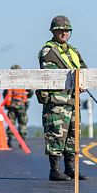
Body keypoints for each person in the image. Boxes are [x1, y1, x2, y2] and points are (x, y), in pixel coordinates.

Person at [37, 15, 88, 181]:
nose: (64, 33)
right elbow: (50, 74)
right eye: (61, 30)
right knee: (56, 135)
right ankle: (54, 169)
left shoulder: (73, 51)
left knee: (73, 136)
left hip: (72, 101)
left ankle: (70, 168)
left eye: (67, 30)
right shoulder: (48, 51)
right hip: (56, 102)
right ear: (54, 31)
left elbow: (85, 70)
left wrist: (83, 83)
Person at [2, 65, 33, 147]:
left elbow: (5, 93)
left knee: (11, 123)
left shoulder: (9, 81)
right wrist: (26, 98)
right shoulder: (24, 81)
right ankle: (22, 142)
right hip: (21, 105)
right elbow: (30, 92)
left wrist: (6, 104)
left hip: (11, 106)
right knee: (22, 123)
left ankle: (10, 141)